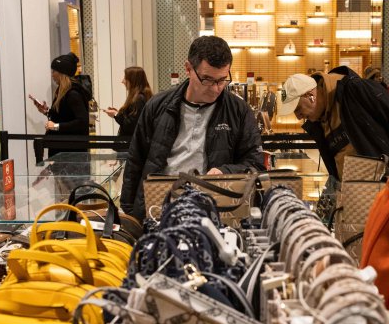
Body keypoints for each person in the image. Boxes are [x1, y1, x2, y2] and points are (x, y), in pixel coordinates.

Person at [121, 35, 264, 221]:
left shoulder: (238, 111)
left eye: (222, 80)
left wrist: (225, 171)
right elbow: (135, 160)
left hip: (214, 210)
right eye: (207, 79)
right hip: (160, 207)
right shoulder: (157, 106)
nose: (215, 88)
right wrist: (127, 213)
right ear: (188, 69)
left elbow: (255, 163)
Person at [278, 67, 389, 180]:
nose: (298, 117)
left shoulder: (357, 91)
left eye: (298, 109)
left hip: (388, 188)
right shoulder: (319, 120)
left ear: (310, 95)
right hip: (356, 198)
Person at [30, 53, 91, 157]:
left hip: (70, 153)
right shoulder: (62, 91)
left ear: (62, 73)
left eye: (54, 71)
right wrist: (47, 111)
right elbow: (65, 115)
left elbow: (82, 122)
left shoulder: (73, 94)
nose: (52, 74)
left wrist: (56, 126)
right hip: (62, 149)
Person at [104, 66, 153, 138]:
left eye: (125, 78)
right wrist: (118, 113)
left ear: (133, 80)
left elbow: (131, 125)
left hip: (131, 144)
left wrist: (116, 114)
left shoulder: (139, 99)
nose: (122, 81)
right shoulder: (143, 96)